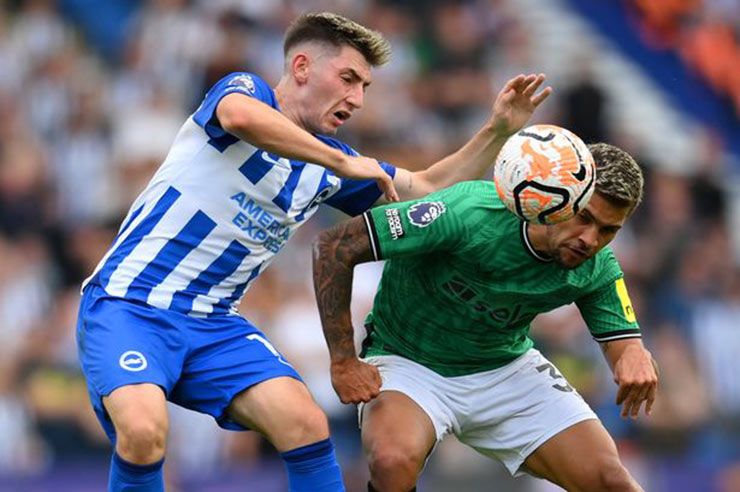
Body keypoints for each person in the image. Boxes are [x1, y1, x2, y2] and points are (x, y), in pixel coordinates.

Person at [76, 11, 552, 492]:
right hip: (130, 303)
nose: (357, 99)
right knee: (142, 433)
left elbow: (424, 189)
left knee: (305, 422)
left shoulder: (327, 166)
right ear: (301, 66)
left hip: (213, 324)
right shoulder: (245, 91)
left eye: (365, 86)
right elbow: (240, 118)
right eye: (348, 79)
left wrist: (496, 130)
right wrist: (343, 160)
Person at [312, 143, 659, 491]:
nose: (590, 239)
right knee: (392, 461)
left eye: (608, 231)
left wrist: (634, 355)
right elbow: (334, 246)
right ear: (559, 196)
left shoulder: (597, 268)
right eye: (584, 218)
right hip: (407, 359)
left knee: (612, 481)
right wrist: (343, 360)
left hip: (504, 369)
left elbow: (625, 344)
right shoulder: (469, 212)